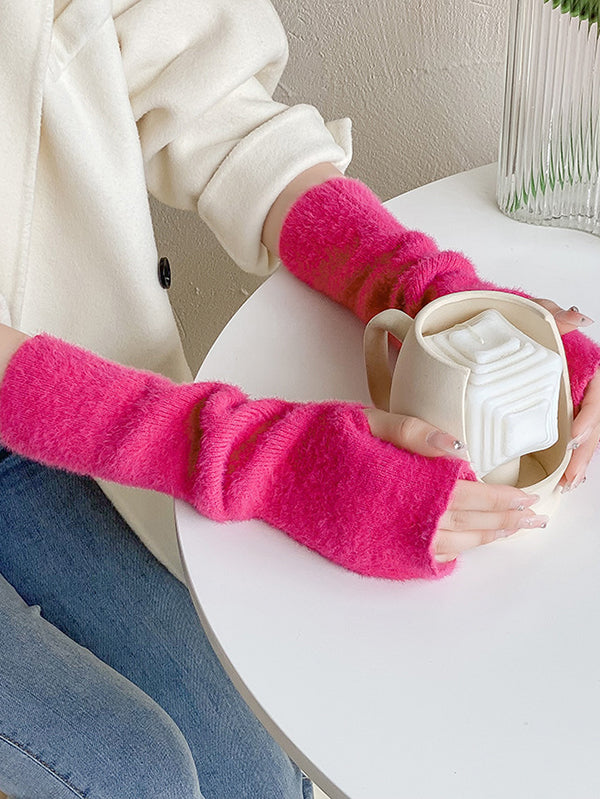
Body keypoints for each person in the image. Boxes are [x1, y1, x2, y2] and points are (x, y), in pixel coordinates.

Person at [1, 2, 599, 798]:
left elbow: (207, 96)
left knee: (255, 769)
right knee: (139, 770)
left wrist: (429, 294)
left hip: (36, 407)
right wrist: (262, 457)